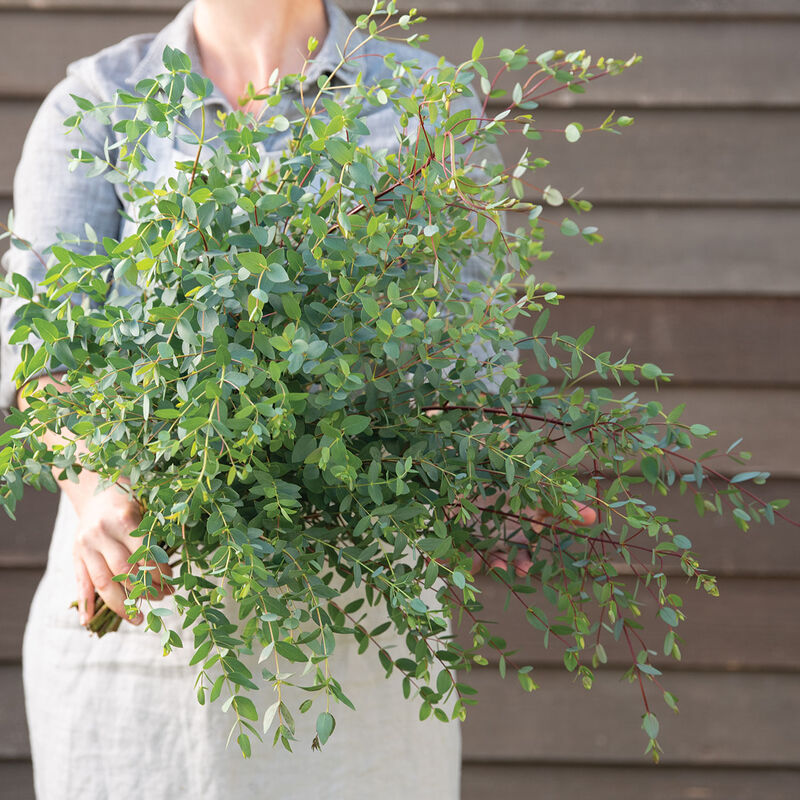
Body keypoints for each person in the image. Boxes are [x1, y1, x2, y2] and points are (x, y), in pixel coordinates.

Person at [1, 2, 596, 797]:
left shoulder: (423, 99)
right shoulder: (103, 100)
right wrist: (96, 482)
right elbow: (41, 352)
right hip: (147, 619)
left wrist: (477, 476)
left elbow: (467, 356)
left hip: (360, 632)